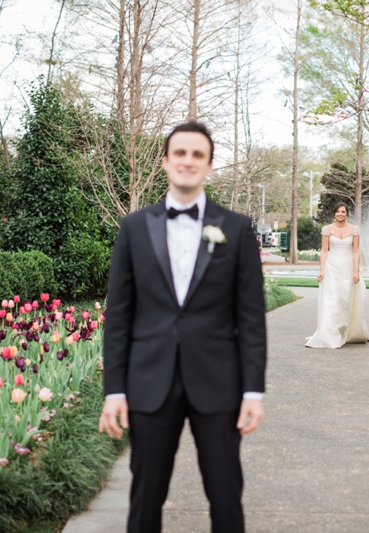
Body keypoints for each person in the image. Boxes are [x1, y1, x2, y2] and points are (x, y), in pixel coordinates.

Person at [98, 121, 266, 533]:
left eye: (197, 155)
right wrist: (115, 390)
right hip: (149, 384)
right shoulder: (133, 228)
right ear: (165, 161)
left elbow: (251, 318)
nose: (187, 162)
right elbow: (119, 315)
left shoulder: (237, 229)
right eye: (180, 153)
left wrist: (253, 391)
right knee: (145, 499)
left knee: (226, 496)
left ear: (209, 165)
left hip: (218, 384)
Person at [305, 202, 369, 348]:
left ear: (347, 213)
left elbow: (355, 251)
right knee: (331, 300)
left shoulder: (354, 229)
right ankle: (329, 333)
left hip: (348, 268)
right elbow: (323, 251)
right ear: (334, 213)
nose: (340, 214)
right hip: (332, 267)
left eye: (343, 212)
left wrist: (356, 270)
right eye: (337, 212)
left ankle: (348, 331)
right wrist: (321, 270)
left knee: (345, 300)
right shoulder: (327, 229)